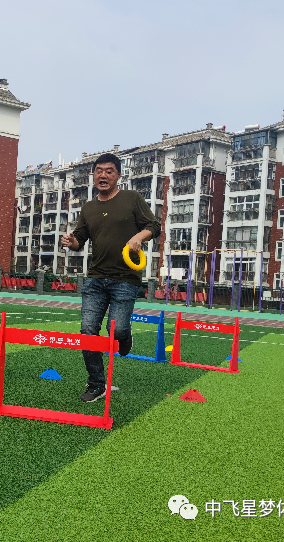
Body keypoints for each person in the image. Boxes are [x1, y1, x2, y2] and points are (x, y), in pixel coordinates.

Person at [61, 153, 160, 402]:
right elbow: (79, 241)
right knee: (87, 330)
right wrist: (71, 242)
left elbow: (154, 225)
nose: (103, 175)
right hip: (95, 278)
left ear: (118, 175)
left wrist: (138, 237)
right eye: (99, 171)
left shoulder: (131, 198)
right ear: (93, 175)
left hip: (125, 279)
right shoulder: (88, 208)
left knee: (116, 330)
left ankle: (125, 335)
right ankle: (96, 384)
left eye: (109, 171)